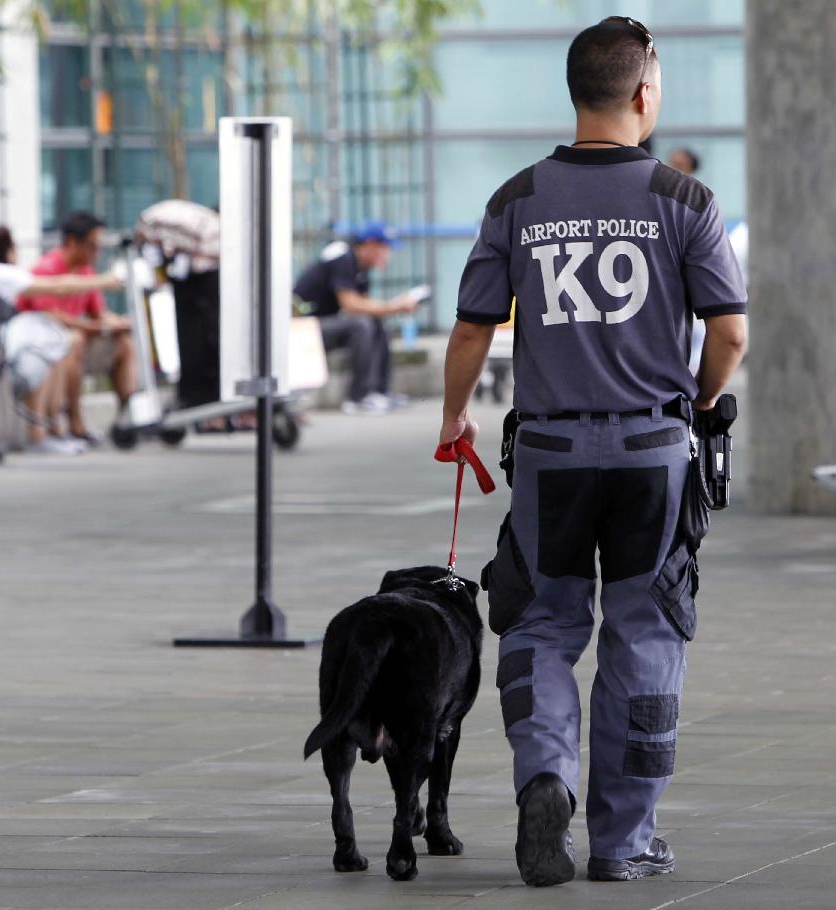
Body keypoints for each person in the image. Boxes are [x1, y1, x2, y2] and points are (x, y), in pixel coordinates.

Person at [438, 18, 747, 886]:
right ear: (644, 93)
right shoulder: (684, 201)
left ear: (577, 93)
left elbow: (472, 331)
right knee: (646, 631)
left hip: (549, 453)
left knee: (541, 623)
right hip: (655, 451)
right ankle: (623, 840)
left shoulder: (517, 199)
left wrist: (453, 419)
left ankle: (546, 780)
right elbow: (729, 332)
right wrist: (704, 398)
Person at [0, 225, 123, 454]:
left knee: (59, 344)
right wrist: (104, 281)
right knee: (49, 346)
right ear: (7, 250)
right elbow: (56, 287)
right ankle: (39, 434)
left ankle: (52, 430)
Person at [23, 211, 135, 444]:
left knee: (123, 344)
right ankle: (75, 423)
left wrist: (116, 323)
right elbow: (50, 316)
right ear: (73, 242)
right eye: (93, 247)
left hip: (79, 344)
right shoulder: (45, 268)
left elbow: (98, 312)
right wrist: (91, 327)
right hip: (45, 348)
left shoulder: (86, 270)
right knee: (74, 340)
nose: (97, 253)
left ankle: (130, 418)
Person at [292, 221, 419, 414]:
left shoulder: (361, 268)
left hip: (320, 326)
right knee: (361, 324)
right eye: (384, 248)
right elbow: (350, 304)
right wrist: (394, 306)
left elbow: (367, 304)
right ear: (369, 244)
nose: (388, 255)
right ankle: (358, 397)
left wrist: (393, 307)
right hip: (302, 329)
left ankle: (380, 391)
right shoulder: (342, 256)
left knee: (374, 321)